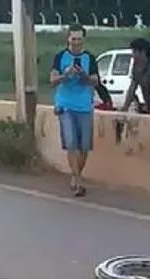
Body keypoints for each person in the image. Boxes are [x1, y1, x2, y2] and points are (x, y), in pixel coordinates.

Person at [50, 24, 100, 197]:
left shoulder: (90, 58)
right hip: (66, 104)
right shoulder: (60, 57)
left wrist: (84, 76)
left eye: (79, 39)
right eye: (73, 39)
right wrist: (66, 75)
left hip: (84, 105)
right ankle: (78, 181)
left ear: (83, 39)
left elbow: (95, 81)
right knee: (71, 142)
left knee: (84, 145)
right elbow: (53, 80)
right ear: (68, 39)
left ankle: (75, 174)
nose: (76, 42)